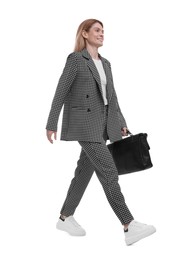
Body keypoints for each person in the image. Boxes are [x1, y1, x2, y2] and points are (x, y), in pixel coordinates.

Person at [46, 18, 156, 246]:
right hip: (84, 124)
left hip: (104, 123)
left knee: (83, 173)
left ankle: (65, 217)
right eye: (97, 30)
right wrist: (51, 123)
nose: (101, 34)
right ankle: (128, 225)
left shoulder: (106, 63)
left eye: (103, 31)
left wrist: (121, 121)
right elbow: (60, 90)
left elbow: (112, 97)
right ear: (84, 34)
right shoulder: (76, 60)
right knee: (109, 172)